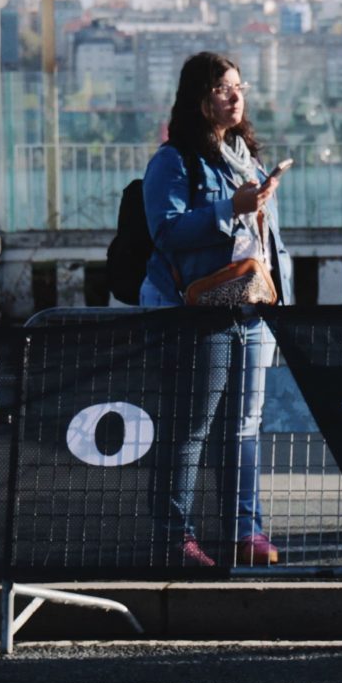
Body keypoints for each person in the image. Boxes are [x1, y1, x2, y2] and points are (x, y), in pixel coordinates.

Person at [141, 53, 293, 571]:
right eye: (223, 88)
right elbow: (166, 231)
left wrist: (260, 204)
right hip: (198, 311)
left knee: (244, 427)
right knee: (190, 428)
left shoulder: (242, 156)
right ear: (198, 98)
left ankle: (243, 531)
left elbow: (264, 240)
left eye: (239, 87)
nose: (235, 96)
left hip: (250, 307)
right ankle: (172, 537)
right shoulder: (174, 159)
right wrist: (230, 208)